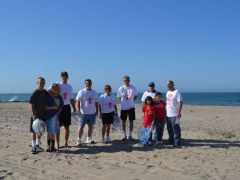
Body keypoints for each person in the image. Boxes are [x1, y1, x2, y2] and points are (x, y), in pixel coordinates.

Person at [76, 79, 98, 145]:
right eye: (87, 83)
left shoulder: (94, 92)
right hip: (83, 113)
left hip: (92, 113)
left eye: (89, 83)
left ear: (91, 84)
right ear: (85, 84)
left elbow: (96, 102)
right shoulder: (81, 92)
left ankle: (88, 139)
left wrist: (97, 111)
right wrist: (78, 110)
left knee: (90, 126)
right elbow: (78, 101)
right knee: (81, 126)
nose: (88, 84)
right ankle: (79, 140)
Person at [29, 77, 49, 154]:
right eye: (40, 82)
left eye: (43, 83)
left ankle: (38, 144)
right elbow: (31, 104)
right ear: (37, 83)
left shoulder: (45, 92)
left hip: (43, 114)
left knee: (40, 131)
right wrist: (33, 114)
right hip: (35, 115)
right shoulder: (35, 92)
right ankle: (33, 146)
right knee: (34, 131)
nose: (42, 84)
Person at [57, 71, 75, 148]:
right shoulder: (57, 84)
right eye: (62, 76)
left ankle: (66, 143)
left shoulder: (69, 87)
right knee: (57, 127)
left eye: (65, 76)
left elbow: (71, 98)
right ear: (61, 77)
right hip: (59, 107)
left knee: (67, 127)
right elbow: (49, 92)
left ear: (68, 77)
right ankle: (57, 144)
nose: (64, 77)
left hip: (67, 107)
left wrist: (74, 108)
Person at [117, 75, 137, 141]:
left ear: (129, 80)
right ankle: (124, 135)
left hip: (131, 107)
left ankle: (130, 135)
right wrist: (122, 103)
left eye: (127, 80)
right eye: (125, 80)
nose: (126, 81)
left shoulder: (133, 87)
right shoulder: (121, 88)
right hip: (123, 108)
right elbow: (119, 97)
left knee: (131, 121)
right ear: (123, 81)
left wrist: (131, 101)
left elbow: (135, 96)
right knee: (123, 122)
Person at [46, 83, 64, 152]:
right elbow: (46, 107)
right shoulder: (48, 96)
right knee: (49, 132)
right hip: (49, 116)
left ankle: (52, 146)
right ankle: (48, 146)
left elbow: (61, 107)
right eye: (54, 88)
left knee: (54, 131)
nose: (56, 90)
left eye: (57, 89)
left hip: (56, 117)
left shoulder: (60, 97)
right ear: (52, 89)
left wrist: (57, 113)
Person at [166, 80, 183, 147]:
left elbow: (180, 102)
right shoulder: (167, 92)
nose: (168, 86)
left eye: (169, 84)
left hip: (174, 114)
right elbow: (167, 103)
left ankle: (177, 143)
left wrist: (178, 112)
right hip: (168, 114)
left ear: (173, 84)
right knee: (169, 129)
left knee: (176, 129)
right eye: (167, 85)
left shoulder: (177, 92)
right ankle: (171, 141)